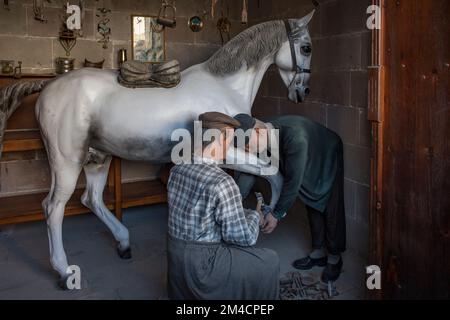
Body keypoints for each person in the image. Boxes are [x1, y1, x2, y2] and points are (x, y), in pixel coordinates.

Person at [166, 112, 280, 300]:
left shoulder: (177, 169)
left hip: (176, 260)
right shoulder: (223, 182)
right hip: (203, 267)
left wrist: (240, 211)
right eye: (231, 140)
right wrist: (254, 215)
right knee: (269, 260)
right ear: (221, 139)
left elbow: (202, 211)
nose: (231, 146)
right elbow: (244, 237)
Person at [234, 114, 346, 283]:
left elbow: (292, 183)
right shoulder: (265, 138)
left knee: (331, 206)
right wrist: (235, 200)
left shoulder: (295, 138)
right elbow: (250, 170)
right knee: (310, 200)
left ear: (258, 132)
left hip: (327, 151)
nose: (249, 151)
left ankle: (334, 258)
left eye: (248, 146)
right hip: (307, 153)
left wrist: (276, 214)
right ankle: (318, 253)